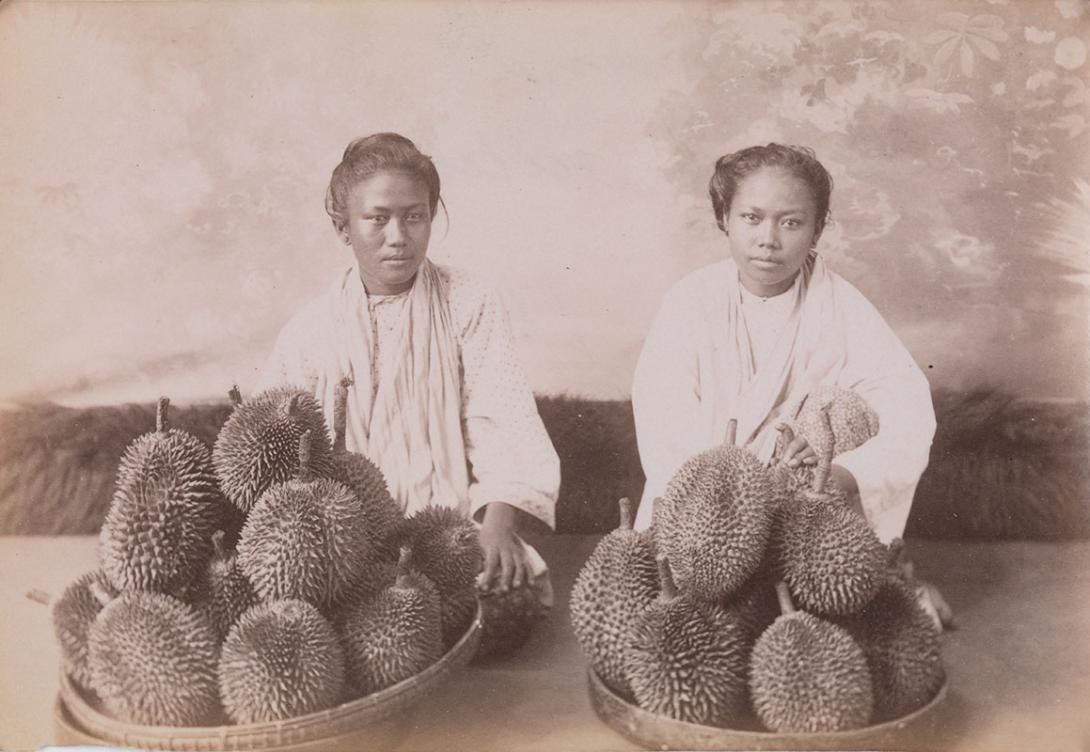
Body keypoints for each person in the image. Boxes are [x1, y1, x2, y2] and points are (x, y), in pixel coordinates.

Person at [631, 143, 951, 626]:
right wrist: (730, 498)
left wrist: (844, 473)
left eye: (791, 222)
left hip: (806, 512)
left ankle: (888, 583)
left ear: (818, 229)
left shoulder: (841, 308)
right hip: (711, 516)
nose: (768, 240)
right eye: (752, 218)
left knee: (832, 626)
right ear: (724, 218)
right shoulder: (689, 302)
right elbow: (662, 415)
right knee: (683, 620)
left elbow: (906, 410)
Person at [256, 133, 560, 599]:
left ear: (430, 217)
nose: (398, 237)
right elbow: (271, 451)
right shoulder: (309, 331)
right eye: (377, 219)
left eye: (413, 216)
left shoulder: (468, 301)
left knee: (506, 609)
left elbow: (501, 416)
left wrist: (496, 525)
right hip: (341, 544)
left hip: (450, 530)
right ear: (343, 228)